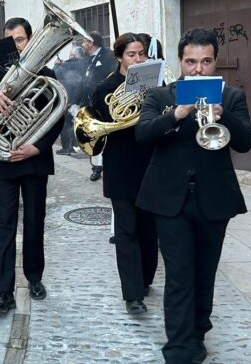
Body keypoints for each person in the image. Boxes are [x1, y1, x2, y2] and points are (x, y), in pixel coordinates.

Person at [136, 28, 251, 363]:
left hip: (213, 200)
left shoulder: (231, 97)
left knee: (205, 272)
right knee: (178, 274)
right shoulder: (159, 96)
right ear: (180, 61)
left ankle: (198, 331)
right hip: (168, 201)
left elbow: (246, 141)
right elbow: (143, 135)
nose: (198, 69)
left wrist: (223, 115)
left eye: (205, 61)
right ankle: (178, 347)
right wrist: (176, 113)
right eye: (191, 61)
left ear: (215, 62)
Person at [0, 18, 64, 314]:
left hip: (34, 158)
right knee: (5, 227)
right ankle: (4, 290)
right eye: (10, 40)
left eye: (20, 40)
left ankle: (34, 278)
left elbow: (56, 118)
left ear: (30, 41)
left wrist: (38, 147)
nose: (16, 45)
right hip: (4, 159)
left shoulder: (45, 73)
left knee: (34, 222)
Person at [88, 33, 158, 316]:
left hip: (151, 165)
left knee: (149, 230)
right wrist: (129, 96)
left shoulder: (154, 84)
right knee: (126, 231)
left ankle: (145, 281)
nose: (138, 60)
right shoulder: (105, 88)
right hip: (120, 165)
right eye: (131, 55)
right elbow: (99, 121)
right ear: (119, 57)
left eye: (142, 54)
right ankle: (132, 294)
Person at [75, 31, 117, 180]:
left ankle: (108, 165)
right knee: (93, 136)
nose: (82, 44)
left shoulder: (109, 56)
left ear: (91, 43)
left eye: (84, 41)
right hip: (89, 103)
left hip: (104, 103)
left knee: (106, 136)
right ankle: (96, 167)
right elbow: (83, 81)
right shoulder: (86, 58)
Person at [54, 46, 86, 155]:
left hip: (68, 97)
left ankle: (67, 147)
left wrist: (56, 64)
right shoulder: (85, 63)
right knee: (74, 124)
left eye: (71, 54)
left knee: (65, 123)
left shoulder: (68, 64)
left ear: (73, 55)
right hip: (80, 98)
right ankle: (74, 145)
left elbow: (55, 74)